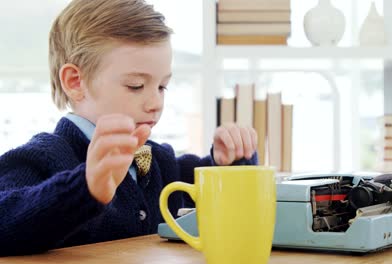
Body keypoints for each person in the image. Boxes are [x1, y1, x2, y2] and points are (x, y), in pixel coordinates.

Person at [0, 0, 257, 256]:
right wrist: (84, 187)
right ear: (75, 82)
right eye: (135, 85)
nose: (156, 103)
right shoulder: (45, 156)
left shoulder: (159, 161)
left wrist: (230, 161)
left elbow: (213, 197)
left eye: (162, 87)